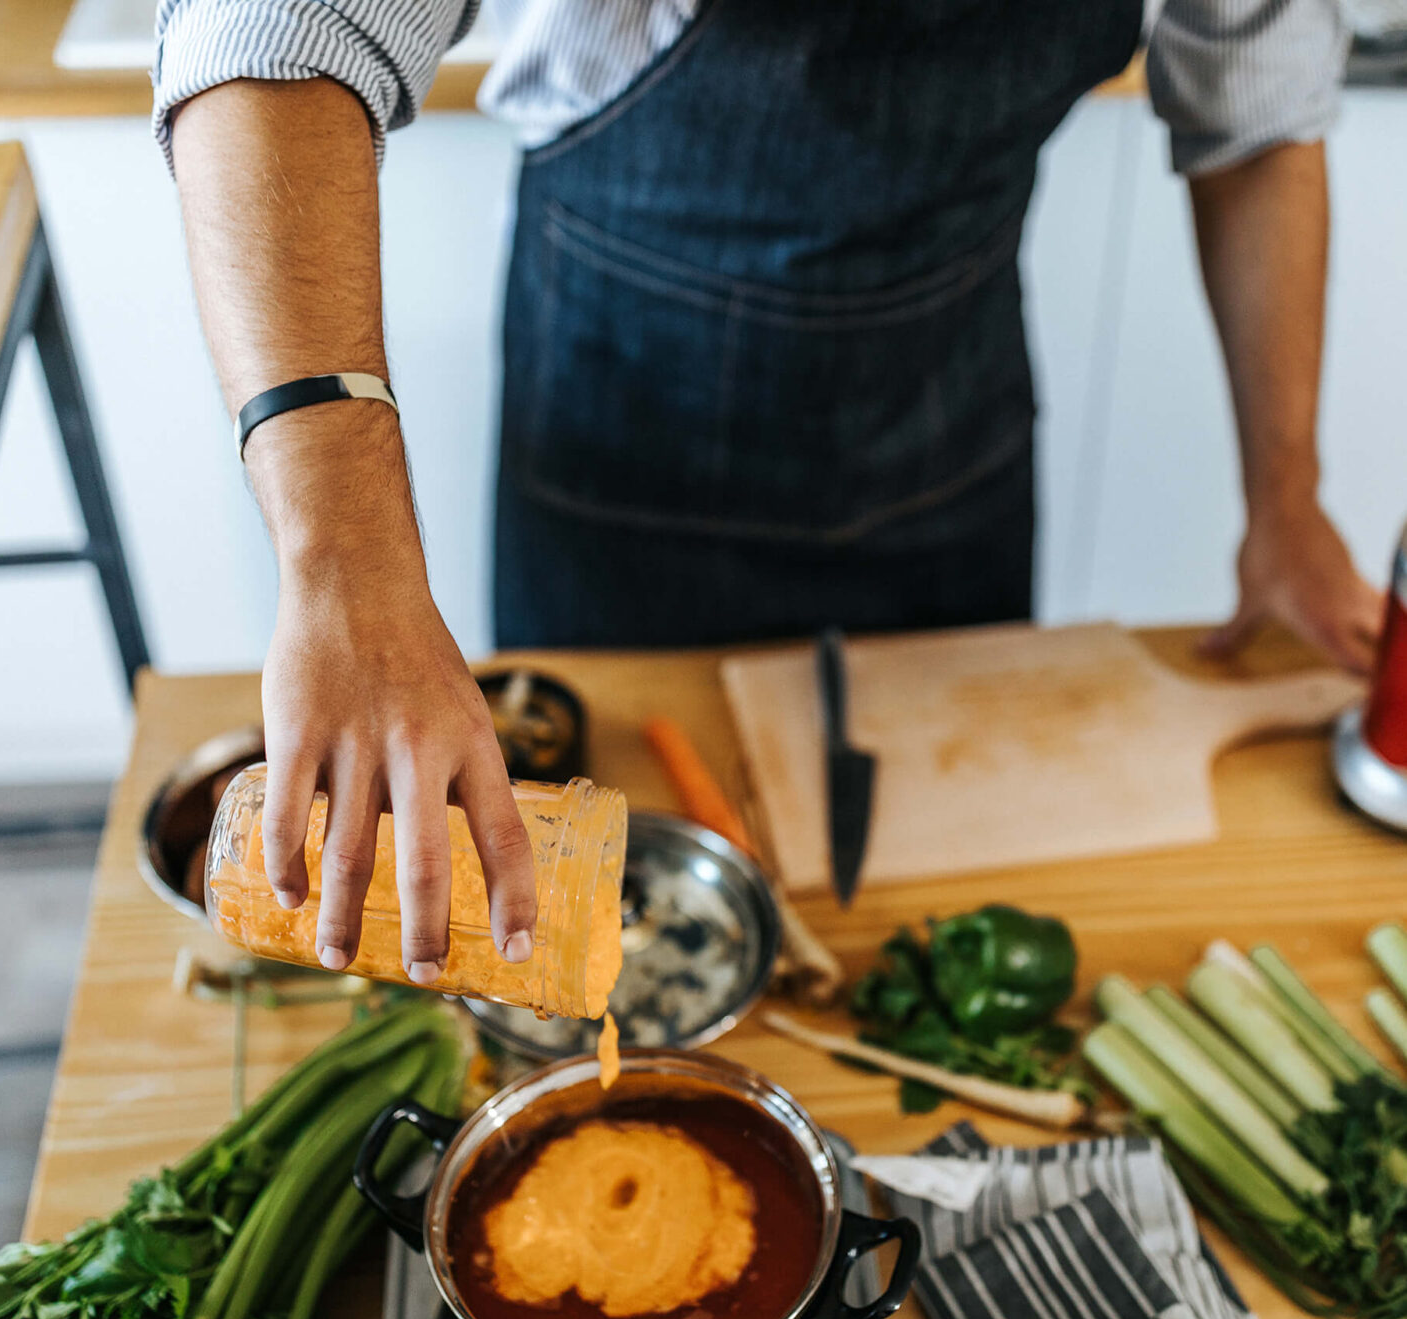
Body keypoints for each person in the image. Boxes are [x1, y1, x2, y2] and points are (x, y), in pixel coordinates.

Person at [154, 0, 1382, 983]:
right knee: (594, 916)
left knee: (914, 910)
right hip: (629, 406)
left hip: (947, 414)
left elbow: (1260, 118)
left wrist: (1287, 494)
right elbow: (266, 40)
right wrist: (348, 565)